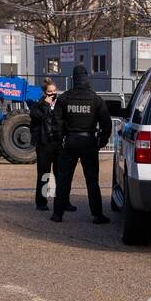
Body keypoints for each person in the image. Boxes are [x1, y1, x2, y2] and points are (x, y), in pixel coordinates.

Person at [51, 64, 112, 224]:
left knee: (64, 180)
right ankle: (97, 215)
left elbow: (56, 123)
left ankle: (57, 214)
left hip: (69, 142)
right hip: (89, 142)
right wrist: (101, 141)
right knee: (92, 181)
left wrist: (60, 141)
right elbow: (106, 123)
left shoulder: (64, 98)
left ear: (73, 79)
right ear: (87, 78)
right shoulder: (95, 99)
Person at [28, 78, 62, 212]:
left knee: (60, 175)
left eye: (54, 91)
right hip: (44, 144)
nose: (52, 94)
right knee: (44, 175)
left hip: (58, 143)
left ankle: (63, 201)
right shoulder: (38, 105)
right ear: (44, 93)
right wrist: (46, 106)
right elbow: (37, 117)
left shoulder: (60, 104)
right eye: (49, 92)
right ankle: (42, 202)